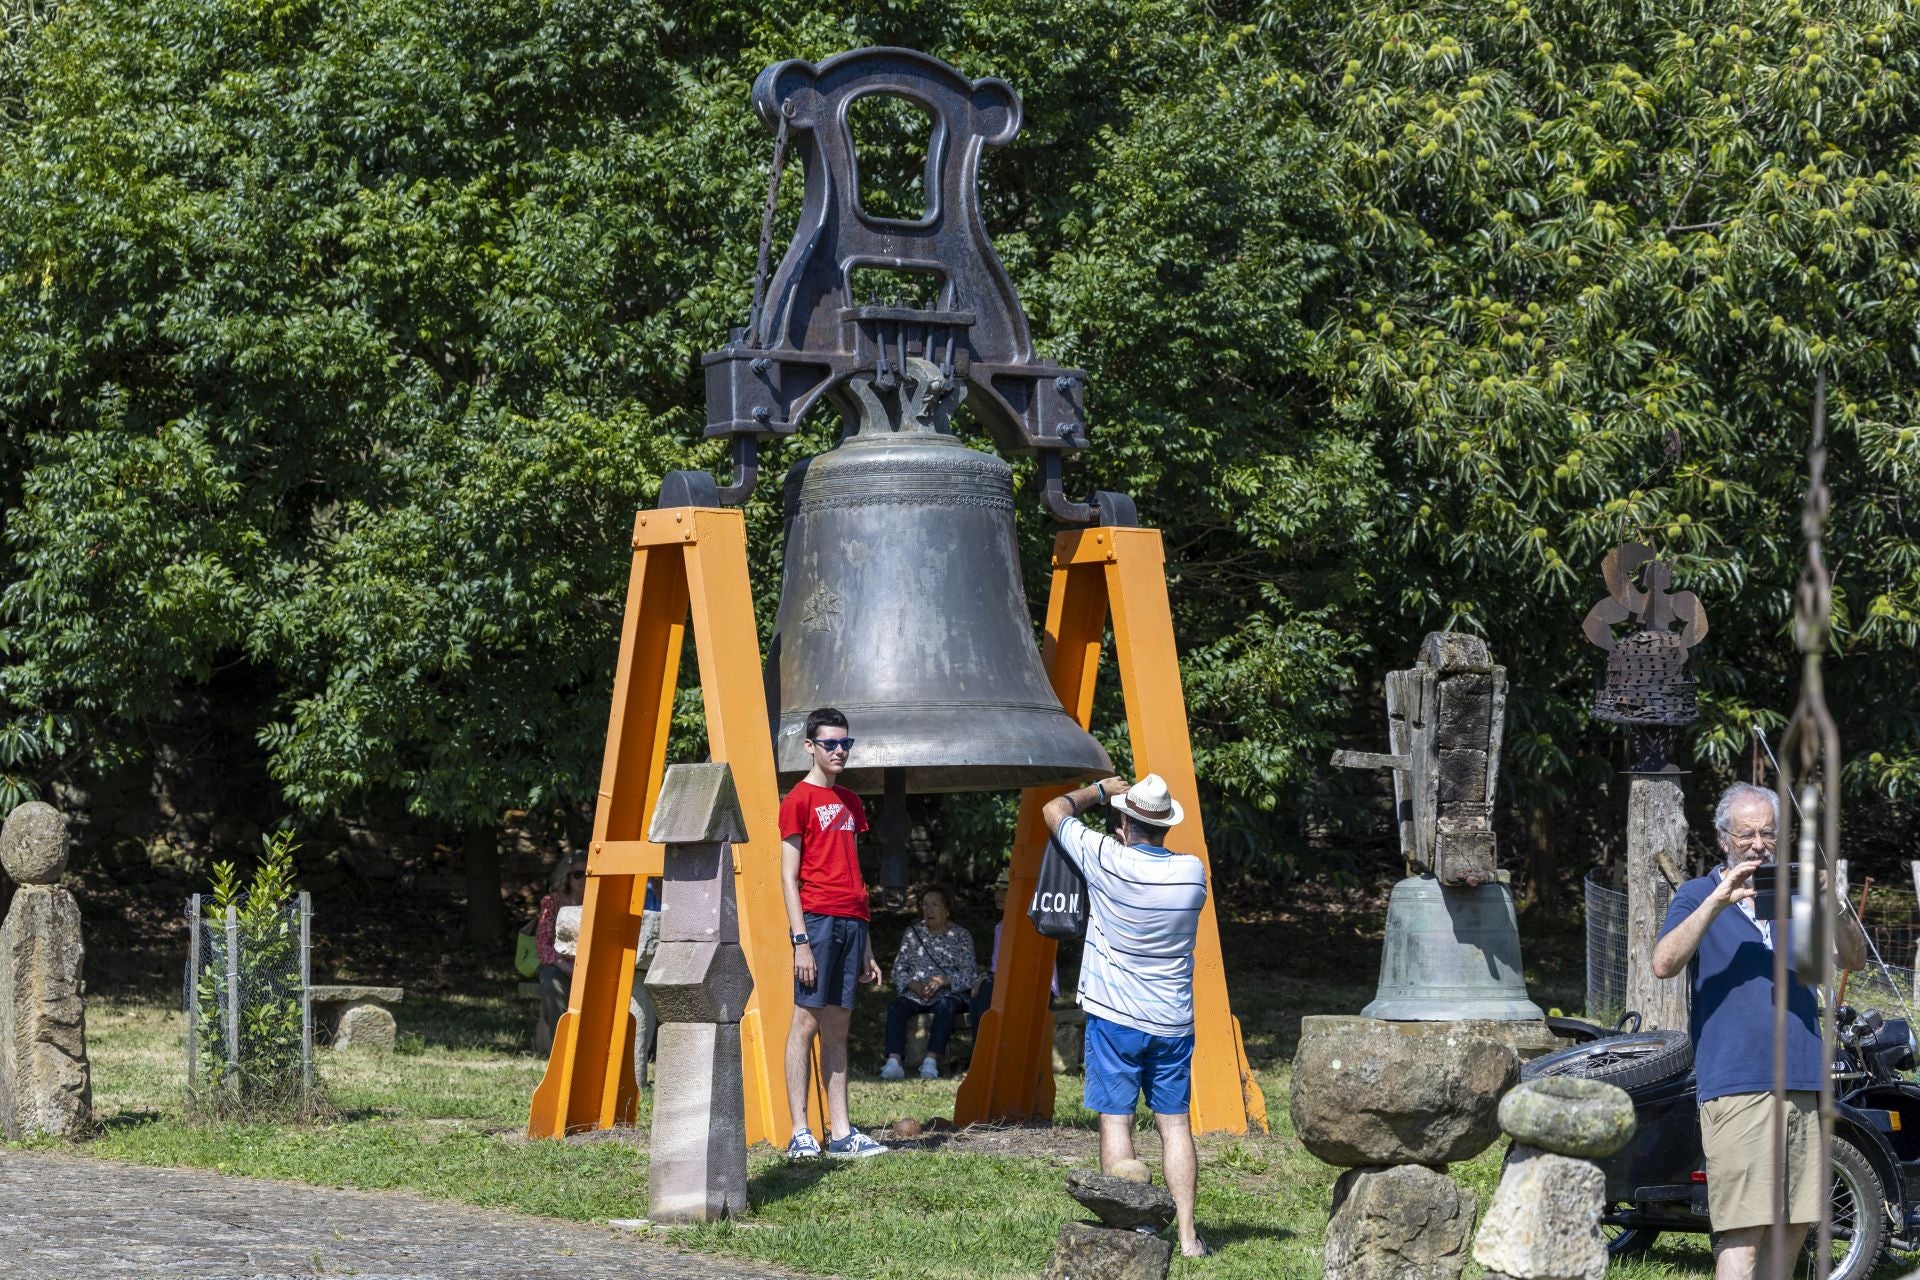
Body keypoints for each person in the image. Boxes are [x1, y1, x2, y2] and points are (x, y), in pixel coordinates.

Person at [1652, 781, 1868, 1280]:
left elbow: (1852, 959)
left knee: (1796, 1222)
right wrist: (1719, 903)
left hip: (1803, 1080)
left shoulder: (1797, 900)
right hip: (1738, 1084)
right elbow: (1664, 962)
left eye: (1768, 833)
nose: (1758, 844)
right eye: (1746, 834)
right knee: (1744, 1229)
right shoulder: (1697, 893)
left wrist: (1832, 902)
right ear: (1723, 837)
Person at [1043, 772, 1211, 1259]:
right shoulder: (1192, 872)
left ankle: (1132, 1231)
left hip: (1116, 1017)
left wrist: (1098, 792)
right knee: (1174, 1125)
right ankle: (1186, 1237)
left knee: (1117, 1123)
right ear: (1165, 826)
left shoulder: (1107, 859)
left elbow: (1054, 811)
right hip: (1174, 1021)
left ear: (1124, 822)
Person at [780, 707, 888, 1159]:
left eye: (846, 743)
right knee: (805, 1021)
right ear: (810, 746)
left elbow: (854, 874)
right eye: (830, 744)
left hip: (851, 923)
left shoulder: (851, 802)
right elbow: (789, 877)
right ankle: (801, 1131)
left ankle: (841, 1132)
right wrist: (800, 940)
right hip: (817, 922)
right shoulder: (797, 800)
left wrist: (867, 945)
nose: (840, 751)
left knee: (838, 1026)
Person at [881, 885, 976, 1080]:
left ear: (947, 910)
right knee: (896, 1007)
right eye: (925, 905)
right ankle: (894, 1061)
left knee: (946, 1006)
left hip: (947, 994)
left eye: (935, 905)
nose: (929, 910)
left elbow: (970, 974)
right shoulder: (913, 933)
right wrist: (912, 984)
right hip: (916, 993)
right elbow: (899, 968)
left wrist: (945, 980)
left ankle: (931, 1061)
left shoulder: (961, 936)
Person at [969, 871, 1059, 1030]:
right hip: (1010, 983)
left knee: (988, 989)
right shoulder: (1000, 927)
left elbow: (1030, 968)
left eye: (1005, 890)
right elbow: (996, 968)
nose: (999, 895)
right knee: (983, 990)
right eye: (997, 890)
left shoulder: (1034, 923)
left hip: (1037, 985)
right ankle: (981, 1048)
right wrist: (983, 978)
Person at [533, 855, 587, 1055]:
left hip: (592, 966)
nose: (584, 880)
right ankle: (562, 1047)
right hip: (559, 965)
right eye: (578, 874)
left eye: (589, 874)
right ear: (567, 877)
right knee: (550, 983)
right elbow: (543, 942)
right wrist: (565, 966)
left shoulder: (600, 900)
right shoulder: (552, 902)